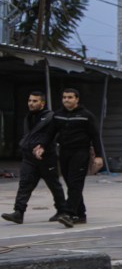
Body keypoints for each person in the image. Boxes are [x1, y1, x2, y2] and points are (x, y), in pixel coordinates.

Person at [3, 91, 73, 227]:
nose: (31, 103)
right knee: (25, 183)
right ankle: (18, 212)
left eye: (35, 101)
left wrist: (44, 147)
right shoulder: (29, 117)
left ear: (42, 103)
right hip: (29, 156)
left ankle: (62, 210)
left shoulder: (50, 117)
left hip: (46, 157)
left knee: (53, 184)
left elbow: (52, 135)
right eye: (30, 100)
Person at [54, 88, 103, 224]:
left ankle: (68, 213)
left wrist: (99, 156)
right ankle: (80, 215)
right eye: (64, 97)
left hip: (81, 152)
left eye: (70, 97)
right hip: (64, 152)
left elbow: (95, 136)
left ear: (77, 99)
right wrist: (41, 146)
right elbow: (50, 133)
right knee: (70, 184)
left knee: (75, 182)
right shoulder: (58, 115)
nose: (66, 100)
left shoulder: (86, 116)